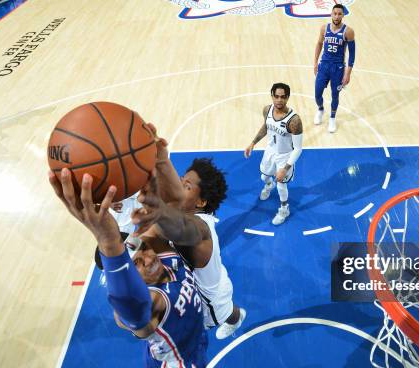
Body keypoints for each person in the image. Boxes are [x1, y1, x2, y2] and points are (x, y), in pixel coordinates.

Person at [48, 169, 220, 368]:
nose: (148, 260)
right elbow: (129, 309)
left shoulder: (159, 252)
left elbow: (165, 216)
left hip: (191, 347)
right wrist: (108, 243)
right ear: (134, 280)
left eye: (142, 253)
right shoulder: (153, 302)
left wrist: (157, 162)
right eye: (137, 265)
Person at [135, 126, 246, 339]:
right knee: (231, 308)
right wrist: (161, 159)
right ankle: (238, 315)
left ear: (201, 202)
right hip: (216, 280)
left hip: (208, 305)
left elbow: (177, 228)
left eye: (186, 186)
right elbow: (170, 200)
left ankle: (235, 318)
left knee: (202, 330)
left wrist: (156, 211)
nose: (179, 185)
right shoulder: (183, 211)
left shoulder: (200, 228)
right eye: (181, 179)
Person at [244, 83, 303, 225]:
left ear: (288, 98)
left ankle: (284, 209)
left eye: (283, 97)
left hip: (285, 156)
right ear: (272, 96)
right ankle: (268, 185)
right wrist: (253, 142)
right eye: (276, 96)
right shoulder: (267, 110)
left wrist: (285, 168)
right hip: (270, 152)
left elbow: (298, 149)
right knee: (264, 176)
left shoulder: (294, 120)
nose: (279, 100)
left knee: (281, 185)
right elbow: (266, 126)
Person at [313, 3, 355, 133]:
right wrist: (315, 63)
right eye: (334, 13)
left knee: (334, 95)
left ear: (343, 15)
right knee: (317, 93)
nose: (336, 16)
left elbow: (352, 55)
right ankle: (320, 109)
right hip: (324, 65)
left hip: (338, 68)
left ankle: (332, 118)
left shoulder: (348, 31)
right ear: (331, 14)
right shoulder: (324, 28)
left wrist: (347, 73)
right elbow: (319, 44)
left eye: (339, 14)